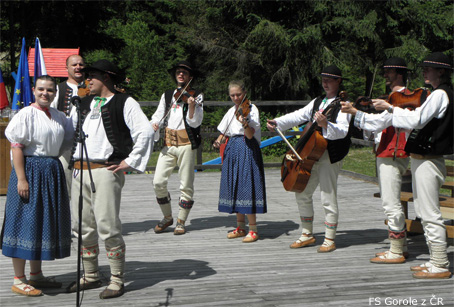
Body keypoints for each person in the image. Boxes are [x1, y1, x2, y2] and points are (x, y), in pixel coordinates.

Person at [66, 59, 153, 298]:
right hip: (78, 170)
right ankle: (91, 275)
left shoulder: (125, 102)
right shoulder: (82, 103)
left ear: (105, 77)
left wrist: (130, 161)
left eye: (91, 76)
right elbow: (68, 131)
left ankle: (117, 279)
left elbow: (145, 131)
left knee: (107, 225)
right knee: (81, 227)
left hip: (105, 171)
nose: (87, 80)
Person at [371, 52, 453, 279]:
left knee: (429, 213)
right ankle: (435, 260)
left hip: (428, 160)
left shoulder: (440, 94)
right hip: (424, 160)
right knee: (426, 212)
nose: (424, 71)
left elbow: (416, 120)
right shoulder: (440, 94)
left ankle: (440, 264)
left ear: (441, 72)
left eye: (429, 68)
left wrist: (389, 109)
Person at [1, 75, 74, 296]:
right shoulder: (26, 114)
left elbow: (66, 144)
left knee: (42, 221)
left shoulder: (60, 116)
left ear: (55, 93)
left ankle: (36, 275)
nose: (45, 93)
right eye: (41, 89)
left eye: (50, 90)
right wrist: (21, 179)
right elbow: (16, 147)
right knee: (25, 221)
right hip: (30, 170)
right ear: (34, 90)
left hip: (51, 170)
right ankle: (18, 278)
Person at [267, 65, 351, 252]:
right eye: (323, 79)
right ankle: (307, 233)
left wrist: (326, 124)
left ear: (339, 81)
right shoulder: (318, 101)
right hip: (310, 154)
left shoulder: (344, 105)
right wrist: (278, 122)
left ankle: (329, 238)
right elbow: (298, 116)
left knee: (327, 196)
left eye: (330, 79)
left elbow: (343, 132)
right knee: (302, 191)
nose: (325, 83)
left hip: (330, 155)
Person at [341, 57, 414, 264]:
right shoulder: (399, 97)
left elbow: (379, 122)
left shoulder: (400, 98)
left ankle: (396, 250)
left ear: (398, 73)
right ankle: (402, 246)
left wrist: (356, 112)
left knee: (391, 203)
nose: (385, 76)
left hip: (393, 152)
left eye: (389, 72)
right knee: (392, 201)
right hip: (393, 151)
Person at [150, 60, 203, 235]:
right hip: (168, 143)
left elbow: (195, 122)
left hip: (186, 143)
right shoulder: (167, 95)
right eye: (178, 72)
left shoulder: (197, 95)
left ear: (190, 77)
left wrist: (192, 106)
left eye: (184, 73)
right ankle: (167, 217)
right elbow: (158, 114)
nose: (180, 75)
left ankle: (181, 221)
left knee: (186, 184)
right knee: (158, 181)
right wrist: (154, 124)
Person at [213, 80, 267, 243]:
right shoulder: (231, 111)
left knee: (247, 186)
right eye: (233, 95)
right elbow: (224, 132)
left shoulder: (251, 109)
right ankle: (240, 227)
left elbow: (250, 135)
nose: (236, 98)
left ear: (244, 93)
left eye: (238, 94)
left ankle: (253, 229)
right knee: (235, 186)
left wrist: (245, 122)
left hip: (247, 148)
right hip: (233, 148)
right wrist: (218, 140)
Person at [50, 54, 86, 197]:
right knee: (65, 186)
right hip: (65, 147)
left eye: (81, 64)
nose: (78, 67)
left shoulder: (93, 87)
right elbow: (51, 114)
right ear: (67, 68)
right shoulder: (59, 89)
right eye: (74, 65)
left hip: (88, 145)